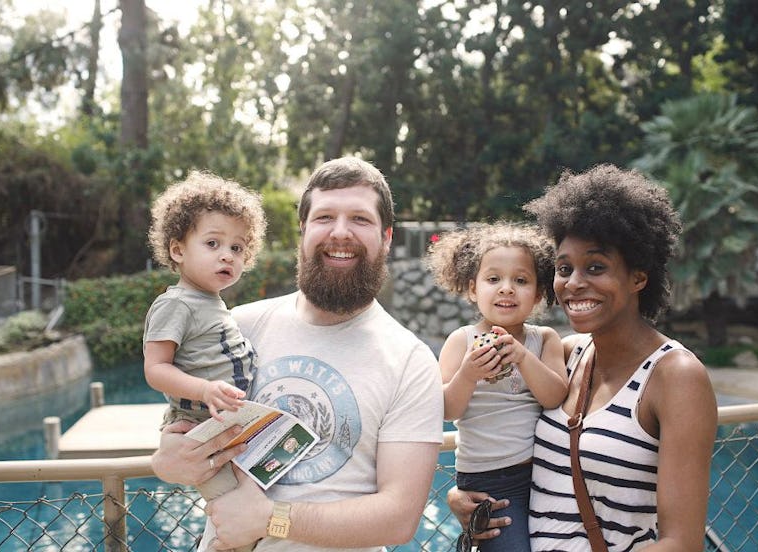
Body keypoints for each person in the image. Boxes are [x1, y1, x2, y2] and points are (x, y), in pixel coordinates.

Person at [150, 157, 445, 552]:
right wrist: (166, 460)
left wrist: (270, 519)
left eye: (360, 219)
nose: (340, 233)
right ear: (303, 229)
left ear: (387, 236)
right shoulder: (240, 326)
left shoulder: (411, 362)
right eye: (325, 217)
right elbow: (183, 422)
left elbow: (398, 518)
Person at [448, 164, 717, 550]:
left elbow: (681, 543)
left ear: (639, 277)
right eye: (563, 268)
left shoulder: (676, 376)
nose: (574, 283)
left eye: (595, 267)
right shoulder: (567, 354)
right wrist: (463, 496)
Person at [143, 170, 267, 552]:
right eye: (213, 243)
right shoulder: (175, 303)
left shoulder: (213, 303)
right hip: (198, 429)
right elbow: (155, 369)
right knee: (233, 514)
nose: (227, 255)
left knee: (254, 505)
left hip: (227, 423)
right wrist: (205, 389)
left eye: (238, 247)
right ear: (178, 250)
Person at [425, 222, 567, 551]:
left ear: (539, 294)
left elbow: (555, 397)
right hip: (488, 482)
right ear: (473, 289)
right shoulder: (462, 341)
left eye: (521, 280)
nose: (506, 288)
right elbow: (446, 410)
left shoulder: (543, 339)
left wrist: (522, 357)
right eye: (493, 279)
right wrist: (468, 374)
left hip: (544, 473)